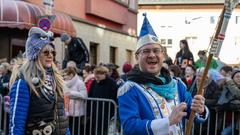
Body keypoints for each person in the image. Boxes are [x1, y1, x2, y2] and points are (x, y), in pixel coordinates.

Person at [118, 14, 209, 135]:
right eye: (146, 51)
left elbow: (192, 111)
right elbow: (130, 126)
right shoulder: (130, 89)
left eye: (156, 50)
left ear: (163, 55)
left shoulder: (177, 85)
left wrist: (200, 109)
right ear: (137, 57)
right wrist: (168, 121)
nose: (152, 55)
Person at [9, 27, 69, 134]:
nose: (50, 55)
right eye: (45, 52)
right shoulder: (22, 83)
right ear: (35, 55)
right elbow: (16, 124)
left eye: (53, 52)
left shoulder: (55, 80)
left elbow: (61, 117)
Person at [63, 66, 87, 135]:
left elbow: (84, 95)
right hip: (67, 111)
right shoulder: (64, 83)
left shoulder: (80, 82)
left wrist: (71, 93)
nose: (64, 77)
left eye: (65, 75)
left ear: (71, 75)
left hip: (77, 112)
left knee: (76, 131)